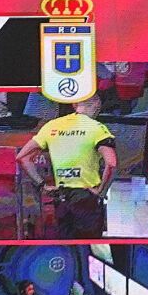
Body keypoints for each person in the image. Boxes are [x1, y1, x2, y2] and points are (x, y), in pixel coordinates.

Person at [15, 95, 114, 239]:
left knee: (67, 250)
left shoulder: (52, 125)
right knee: (88, 250)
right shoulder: (97, 128)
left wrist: (42, 184)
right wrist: (101, 191)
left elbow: (22, 157)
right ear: (98, 106)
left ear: (74, 105)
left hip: (61, 197)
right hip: (86, 197)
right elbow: (111, 164)